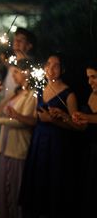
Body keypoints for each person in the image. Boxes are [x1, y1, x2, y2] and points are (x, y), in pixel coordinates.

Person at [19, 53, 81, 218]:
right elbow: (35, 118)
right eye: (48, 64)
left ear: (63, 69)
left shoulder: (69, 94)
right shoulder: (40, 89)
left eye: (56, 65)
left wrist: (55, 119)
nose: (51, 69)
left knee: (53, 185)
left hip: (58, 145)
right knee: (37, 183)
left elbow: (77, 126)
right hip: (39, 142)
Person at [0, 59, 37, 218]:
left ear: (26, 73)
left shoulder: (32, 95)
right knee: (4, 190)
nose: (13, 74)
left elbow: (25, 122)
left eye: (16, 71)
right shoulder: (17, 92)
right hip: (5, 146)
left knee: (16, 190)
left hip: (18, 147)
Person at [72, 60, 97, 216]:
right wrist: (67, 117)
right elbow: (85, 125)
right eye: (88, 77)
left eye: (94, 77)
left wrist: (87, 117)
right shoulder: (93, 95)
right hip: (90, 149)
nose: (90, 81)